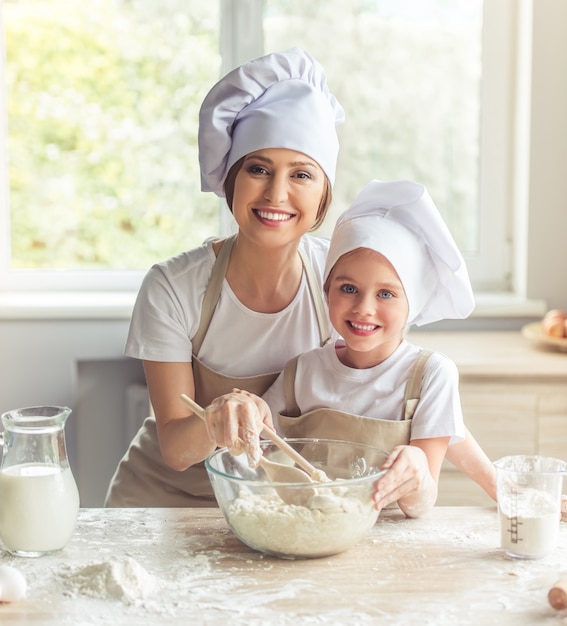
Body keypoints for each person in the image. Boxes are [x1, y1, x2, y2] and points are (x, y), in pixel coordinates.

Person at [105, 48, 344, 507]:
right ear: (231, 180)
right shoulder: (173, 287)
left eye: (301, 174)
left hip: (275, 503)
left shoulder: (340, 281)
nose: (276, 193)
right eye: (258, 169)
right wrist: (218, 419)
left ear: (323, 195)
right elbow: (175, 447)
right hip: (163, 505)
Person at [205, 179, 495, 518]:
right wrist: (248, 412)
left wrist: (418, 473)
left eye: (386, 294)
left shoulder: (430, 375)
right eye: (348, 288)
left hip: (389, 548)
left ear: (412, 304)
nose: (364, 308)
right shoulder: (302, 371)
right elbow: (258, 452)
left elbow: (419, 506)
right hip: (308, 530)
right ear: (327, 290)